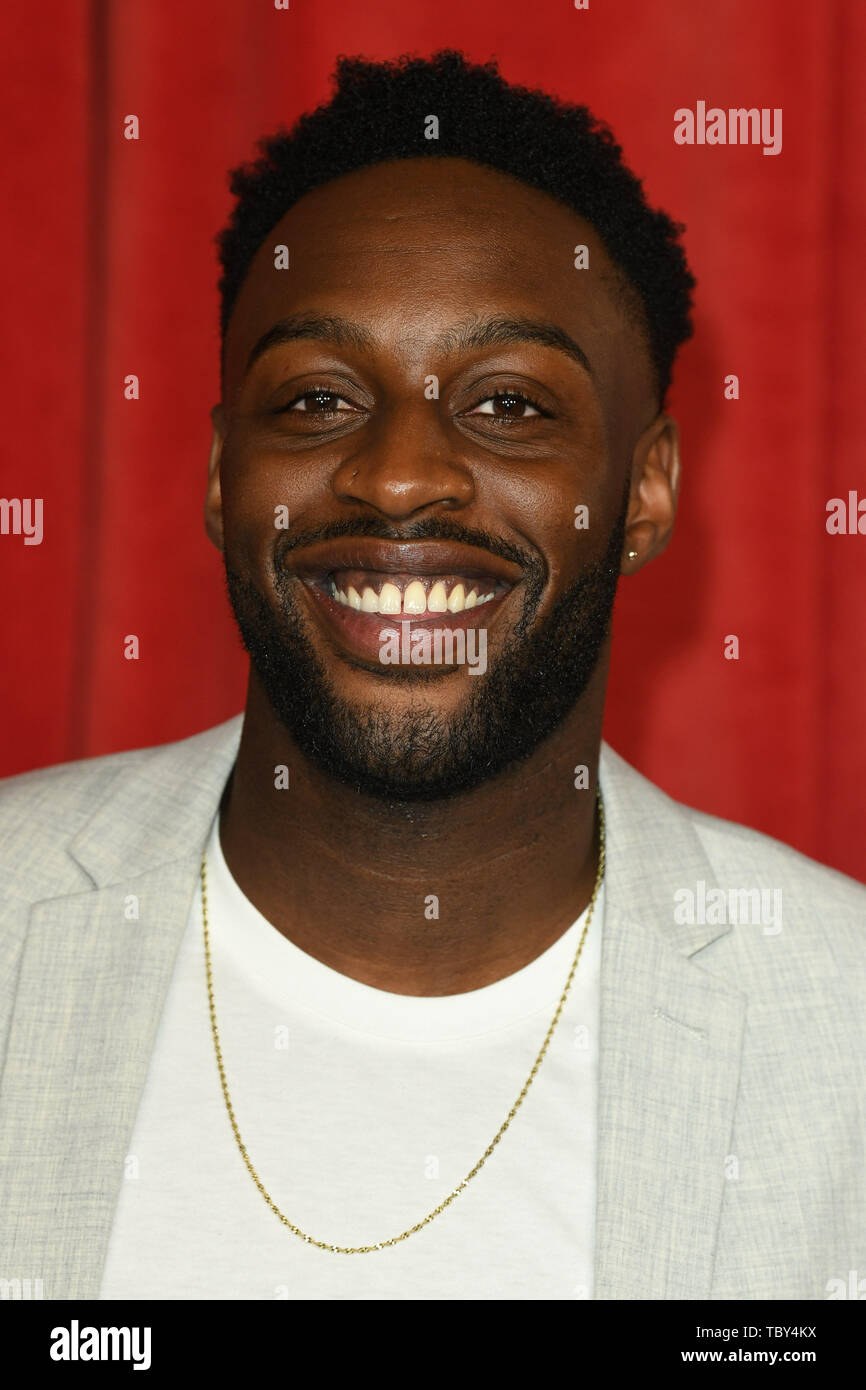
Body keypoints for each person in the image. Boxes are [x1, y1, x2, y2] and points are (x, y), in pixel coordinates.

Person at [1, 51, 863, 1303]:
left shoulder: (839, 1034)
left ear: (646, 490)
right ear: (217, 476)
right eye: (316, 397)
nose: (400, 476)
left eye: (508, 402)